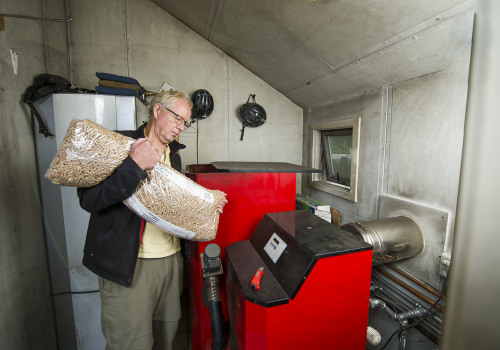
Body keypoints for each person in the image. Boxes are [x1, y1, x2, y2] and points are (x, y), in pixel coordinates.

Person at [77, 89, 227, 350]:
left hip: (170, 263)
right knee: (131, 343)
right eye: (178, 119)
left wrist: (207, 204)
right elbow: (90, 199)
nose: (181, 127)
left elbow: (170, 207)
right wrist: (134, 165)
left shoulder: (174, 155)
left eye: (186, 122)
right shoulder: (119, 143)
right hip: (129, 266)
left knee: (165, 339)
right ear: (158, 111)